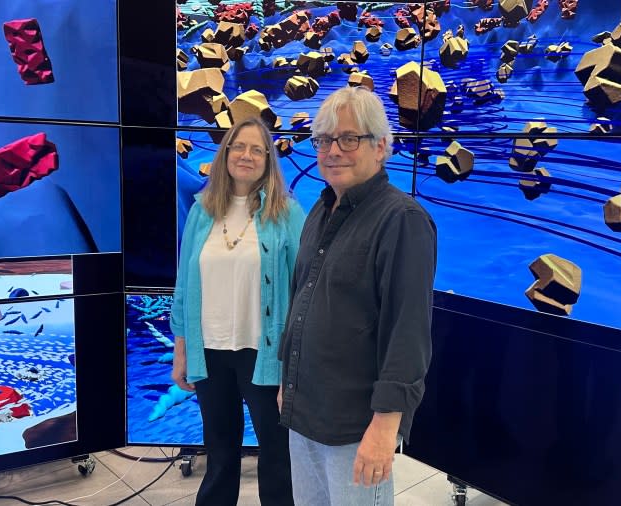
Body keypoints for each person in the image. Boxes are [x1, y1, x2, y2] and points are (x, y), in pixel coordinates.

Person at [278, 86, 437, 505]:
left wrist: (385, 428)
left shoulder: (403, 221)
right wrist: (286, 381)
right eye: (324, 140)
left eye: (349, 139)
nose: (333, 151)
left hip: (354, 425)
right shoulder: (320, 208)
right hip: (304, 411)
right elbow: (302, 300)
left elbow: (408, 333)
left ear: (381, 146)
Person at [170, 117, 305, 506]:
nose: (247, 155)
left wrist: (293, 366)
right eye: (239, 147)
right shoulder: (201, 211)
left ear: (268, 160)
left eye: (257, 149)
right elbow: (184, 286)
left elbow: (303, 291)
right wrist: (182, 350)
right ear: (226, 153)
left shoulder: (287, 214)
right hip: (209, 352)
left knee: (277, 455)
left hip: (263, 355)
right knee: (220, 451)